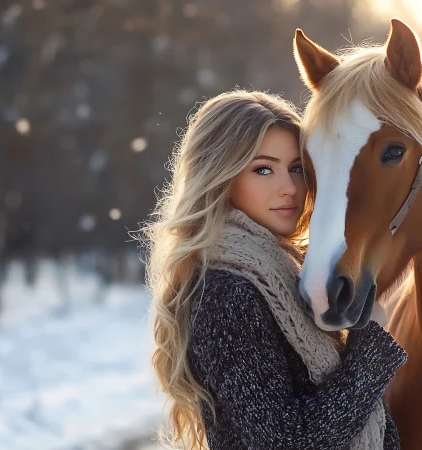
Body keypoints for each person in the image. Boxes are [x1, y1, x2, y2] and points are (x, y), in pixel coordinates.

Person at [140, 90, 408, 450]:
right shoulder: (225, 294)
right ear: (221, 177)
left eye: (297, 168)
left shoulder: (287, 274)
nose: (289, 188)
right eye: (263, 169)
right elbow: (286, 440)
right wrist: (370, 351)